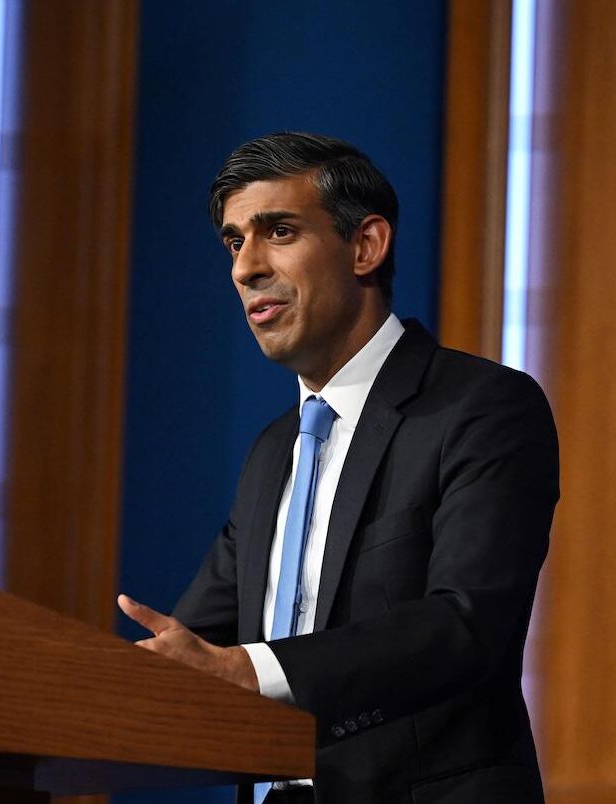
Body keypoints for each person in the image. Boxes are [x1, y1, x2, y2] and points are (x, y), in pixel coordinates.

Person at [117, 132, 559, 804]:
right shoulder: (273, 453)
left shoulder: (481, 407)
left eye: (279, 232)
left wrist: (250, 672)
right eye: (235, 242)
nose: (245, 268)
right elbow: (192, 651)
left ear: (365, 247)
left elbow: (466, 625)